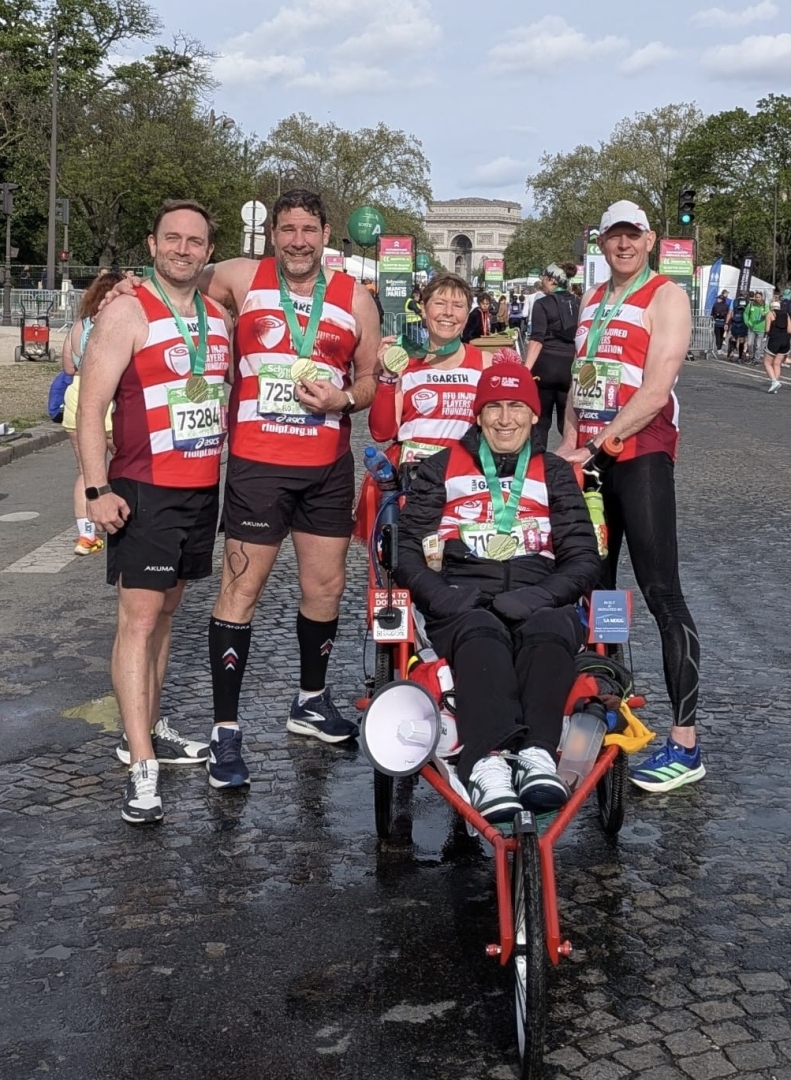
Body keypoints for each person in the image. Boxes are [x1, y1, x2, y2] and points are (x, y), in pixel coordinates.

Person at [77, 200, 233, 824]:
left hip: (200, 488)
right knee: (139, 620)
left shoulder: (218, 317)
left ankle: (147, 724)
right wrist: (96, 489)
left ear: (208, 251)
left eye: (195, 241)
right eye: (172, 238)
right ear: (152, 244)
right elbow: (90, 407)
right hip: (143, 488)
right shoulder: (127, 310)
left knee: (167, 612)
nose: (183, 249)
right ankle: (141, 762)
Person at [395, 364, 600, 823]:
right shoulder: (440, 467)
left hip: (538, 595)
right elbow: (406, 550)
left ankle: (537, 755)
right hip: (462, 599)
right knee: (481, 631)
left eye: (516, 407)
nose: (505, 419)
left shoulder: (555, 473)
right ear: (478, 415)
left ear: (534, 416)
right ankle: (485, 764)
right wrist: (442, 598)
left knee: (551, 628)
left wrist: (538, 597)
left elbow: (585, 559)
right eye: (494, 408)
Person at [557, 199, 704, 793]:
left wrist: (599, 444)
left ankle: (685, 744)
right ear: (602, 242)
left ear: (649, 240)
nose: (623, 244)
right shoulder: (592, 298)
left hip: (639, 456)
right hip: (591, 461)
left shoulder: (666, 296)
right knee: (595, 591)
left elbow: (656, 387)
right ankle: (608, 709)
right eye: (614, 235)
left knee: (662, 592)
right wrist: (569, 443)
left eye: (632, 235)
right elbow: (581, 380)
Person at [61, 270, 123, 554]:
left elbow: (68, 367)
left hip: (76, 395)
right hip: (107, 398)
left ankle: (86, 535)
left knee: (86, 469)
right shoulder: (114, 323)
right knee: (123, 462)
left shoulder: (78, 327)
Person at [524, 262, 580, 453]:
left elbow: (537, 339)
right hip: (570, 368)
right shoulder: (579, 303)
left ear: (552, 280)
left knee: (541, 421)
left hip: (545, 368)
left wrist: (526, 369)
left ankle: (537, 463)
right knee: (568, 422)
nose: (542, 283)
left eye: (544, 279)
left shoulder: (543, 303)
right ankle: (569, 461)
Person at [764, 299, 790, 392]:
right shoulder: (786, 315)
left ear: (771, 307)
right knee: (777, 364)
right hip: (785, 341)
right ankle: (775, 386)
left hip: (774, 340)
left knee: (767, 363)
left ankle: (774, 381)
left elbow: (767, 329)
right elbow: (789, 330)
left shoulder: (770, 313)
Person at [744, 290, 769, 361]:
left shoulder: (765, 305)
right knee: (749, 344)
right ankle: (751, 356)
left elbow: (768, 312)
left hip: (761, 328)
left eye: (759, 297)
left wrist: (764, 313)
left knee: (758, 345)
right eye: (756, 297)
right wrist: (746, 321)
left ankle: (756, 359)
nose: (758, 298)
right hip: (751, 327)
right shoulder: (751, 304)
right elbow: (746, 313)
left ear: (761, 297)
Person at [726, 294, 749, 360]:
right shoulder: (748, 302)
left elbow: (730, 312)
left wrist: (726, 323)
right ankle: (740, 356)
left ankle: (732, 351)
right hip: (744, 322)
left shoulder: (734, 301)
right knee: (742, 339)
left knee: (734, 337)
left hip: (735, 322)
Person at [710, 290, 730, 355]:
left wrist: (715, 317)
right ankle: (719, 349)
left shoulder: (716, 305)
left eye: (719, 299)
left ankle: (719, 349)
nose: (717, 299)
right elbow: (727, 314)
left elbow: (712, 313)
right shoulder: (726, 306)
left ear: (721, 299)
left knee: (718, 336)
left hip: (718, 323)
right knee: (720, 336)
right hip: (722, 323)